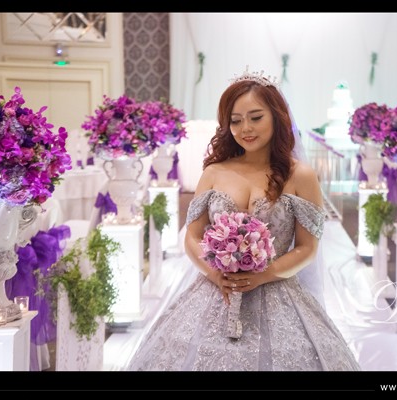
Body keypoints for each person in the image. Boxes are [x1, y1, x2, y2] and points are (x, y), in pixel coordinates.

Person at [126, 68, 361, 371]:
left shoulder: (300, 175)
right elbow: (193, 236)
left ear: (277, 117)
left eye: (256, 117)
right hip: (216, 289)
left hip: (278, 290)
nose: (245, 128)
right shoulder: (214, 172)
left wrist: (263, 274)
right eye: (235, 120)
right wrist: (215, 275)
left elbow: (307, 248)